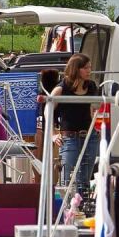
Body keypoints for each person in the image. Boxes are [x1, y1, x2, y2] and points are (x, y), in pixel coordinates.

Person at [48, 54, 98, 192]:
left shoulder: (92, 86)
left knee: (85, 180)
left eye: (90, 67)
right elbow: (48, 110)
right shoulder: (61, 88)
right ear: (76, 69)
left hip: (90, 137)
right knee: (66, 179)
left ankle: (81, 209)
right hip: (69, 138)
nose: (89, 71)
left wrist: (98, 125)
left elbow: (95, 109)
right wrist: (52, 134)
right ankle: (65, 211)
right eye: (86, 68)